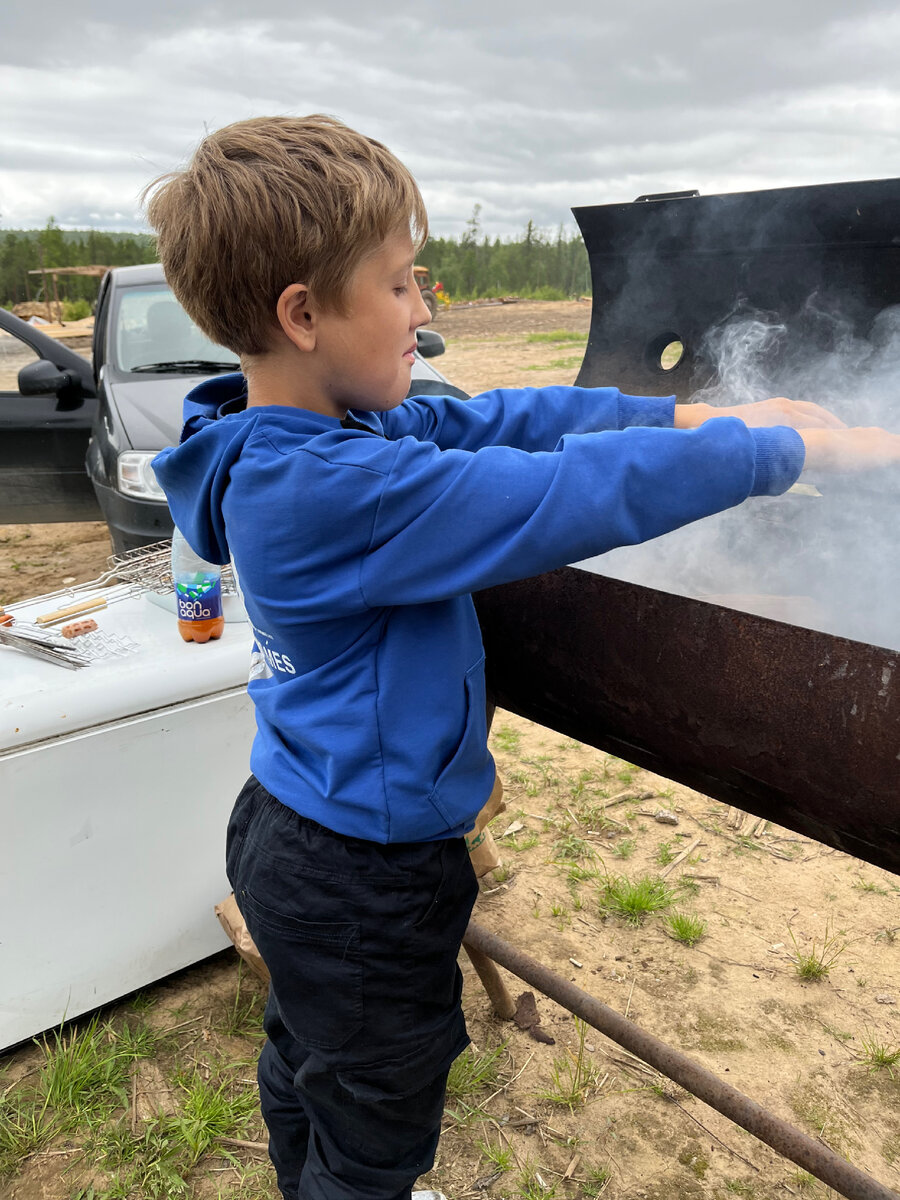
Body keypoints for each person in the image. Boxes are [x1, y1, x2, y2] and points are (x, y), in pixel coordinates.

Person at [146, 115, 900, 1200]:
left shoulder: (308, 437)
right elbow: (563, 491)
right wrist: (793, 451)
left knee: (312, 1061)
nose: (424, 312)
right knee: (377, 1114)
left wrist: (692, 410)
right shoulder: (327, 491)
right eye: (402, 287)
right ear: (303, 315)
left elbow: (501, 422)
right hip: (364, 871)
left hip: (300, 829)